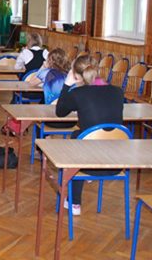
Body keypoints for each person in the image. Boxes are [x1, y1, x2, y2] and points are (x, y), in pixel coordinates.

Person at [55, 54, 124, 215]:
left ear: (76, 76)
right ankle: (86, 181)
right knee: (86, 136)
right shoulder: (118, 92)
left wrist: (67, 84)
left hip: (87, 163)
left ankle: (75, 203)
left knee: (77, 137)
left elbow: (60, 112)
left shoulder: (78, 94)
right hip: (116, 163)